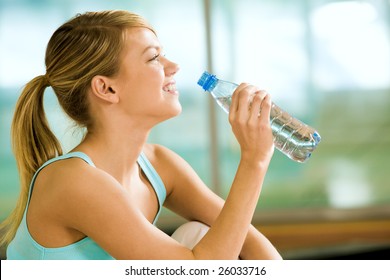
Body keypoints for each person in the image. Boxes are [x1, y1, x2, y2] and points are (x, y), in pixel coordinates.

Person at [0, 10, 282, 260]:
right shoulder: (72, 180)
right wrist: (254, 160)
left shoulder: (159, 166)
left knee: (198, 233)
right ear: (106, 89)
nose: (173, 66)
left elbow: (253, 244)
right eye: (154, 57)